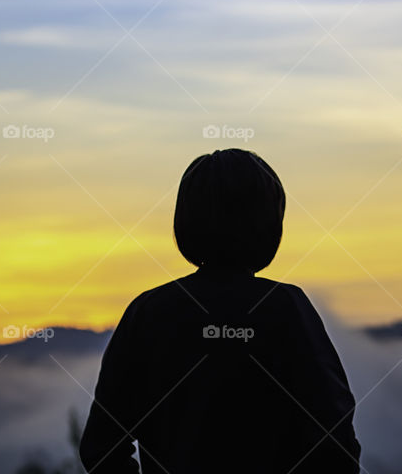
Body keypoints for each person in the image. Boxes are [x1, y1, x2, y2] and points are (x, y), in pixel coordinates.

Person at [79, 149, 360, 473]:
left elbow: (102, 446)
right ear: (269, 224)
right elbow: (334, 437)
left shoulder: (149, 312)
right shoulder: (286, 308)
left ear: (184, 221)